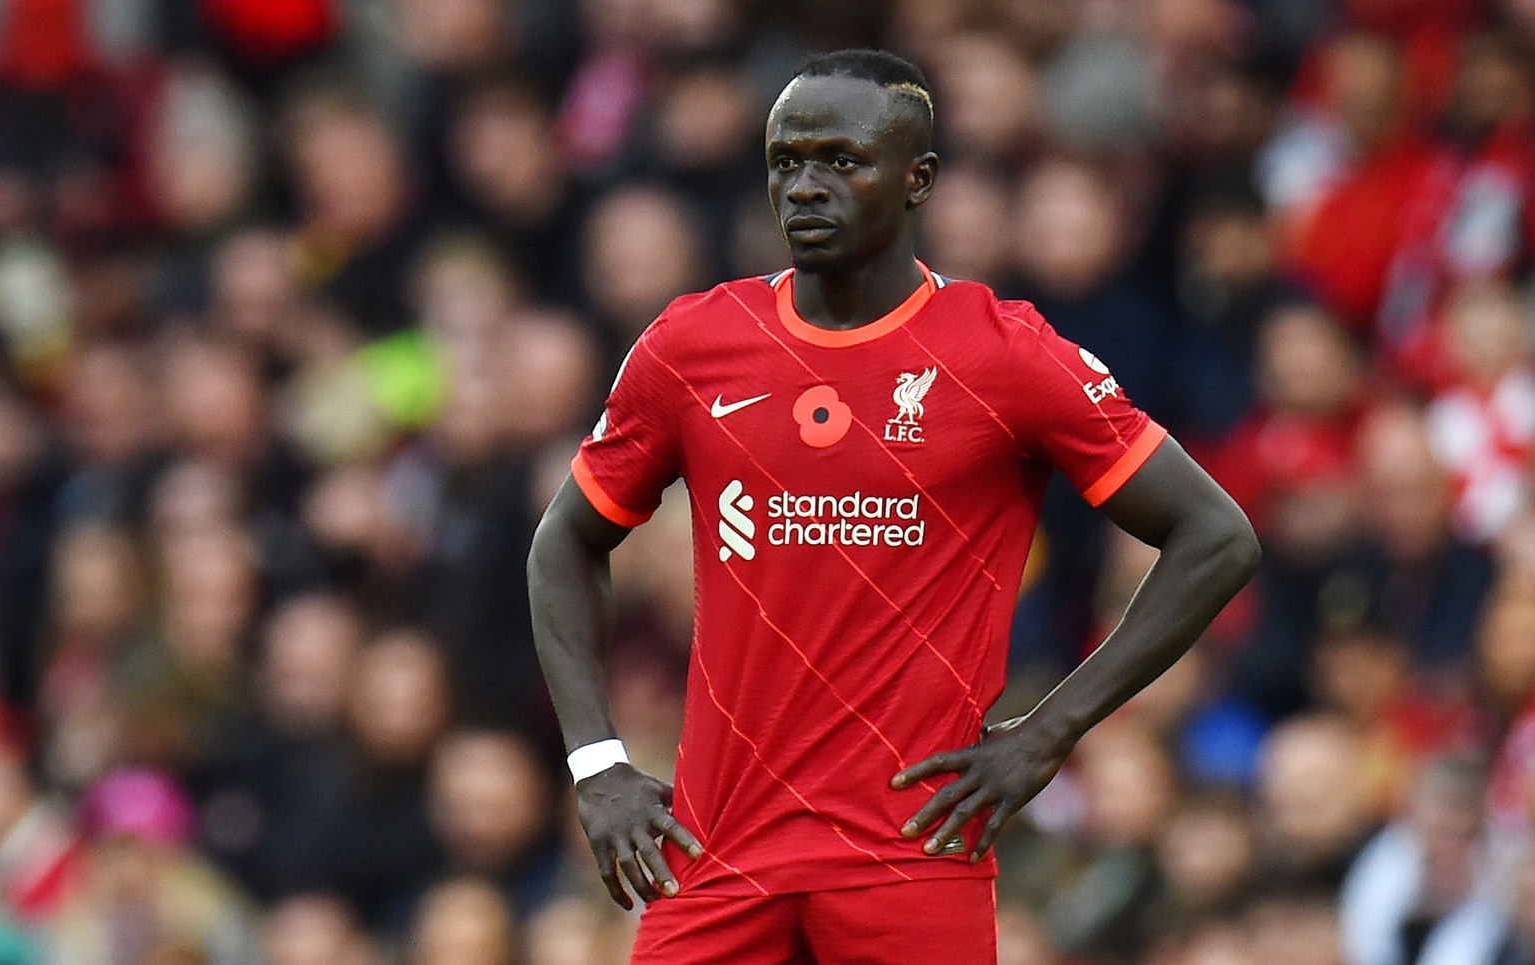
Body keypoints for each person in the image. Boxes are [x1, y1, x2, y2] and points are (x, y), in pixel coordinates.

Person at [528, 48, 1260, 964]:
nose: (805, 186)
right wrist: (598, 765)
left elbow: (1216, 536)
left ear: (920, 181)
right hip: (718, 853)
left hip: (911, 855)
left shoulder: (1002, 354)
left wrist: (1049, 731)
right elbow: (564, 542)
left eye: (841, 161)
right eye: (786, 160)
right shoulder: (694, 344)